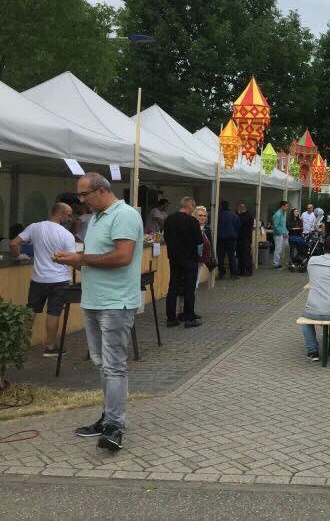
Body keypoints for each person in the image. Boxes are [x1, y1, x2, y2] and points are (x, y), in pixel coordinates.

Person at [53, 172, 144, 452]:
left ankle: (115, 426)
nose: (81, 201)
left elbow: (122, 256)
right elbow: (97, 257)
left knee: (114, 366)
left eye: (84, 194)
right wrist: (74, 260)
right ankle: (108, 418)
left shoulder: (124, 215)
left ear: (101, 190)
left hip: (115, 302)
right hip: (94, 299)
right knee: (102, 363)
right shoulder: (96, 219)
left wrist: (80, 259)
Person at [10, 202, 75, 356]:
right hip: (59, 280)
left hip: (38, 279)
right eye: (68, 215)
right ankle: (50, 348)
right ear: (60, 214)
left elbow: (13, 243)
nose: (70, 219)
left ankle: (19, 348)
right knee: (54, 313)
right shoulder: (66, 234)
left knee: (30, 311)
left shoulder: (34, 227)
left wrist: (17, 256)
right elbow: (72, 258)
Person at [163, 197, 202, 328]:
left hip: (174, 258)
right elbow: (199, 240)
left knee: (173, 287)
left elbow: (166, 237)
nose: (193, 210)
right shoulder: (192, 221)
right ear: (189, 205)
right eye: (193, 207)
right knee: (189, 288)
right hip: (190, 258)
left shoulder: (169, 219)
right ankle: (189, 317)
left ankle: (171, 318)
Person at [217, 201, 241, 279]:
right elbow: (238, 226)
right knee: (232, 256)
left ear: (221, 206)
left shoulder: (218, 215)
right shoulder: (234, 215)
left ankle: (221, 273)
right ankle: (233, 274)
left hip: (220, 238)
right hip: (231, 238)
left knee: (220, 256)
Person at [193, 206, 214, 285]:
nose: (203, 217)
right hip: (191, 258)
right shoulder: (191, 227)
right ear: (194, 216)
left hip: (201, 259)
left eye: (204, 216)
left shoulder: (207, 229)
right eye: (200, 215)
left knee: (196, 280)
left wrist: (211, 257)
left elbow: (210, 243)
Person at [236, 203, 254, 276]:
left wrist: (238, 215)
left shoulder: (241, 217)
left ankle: (243, 270)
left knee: (242, 255)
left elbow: (239, 225)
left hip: (242, 238)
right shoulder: (250, 215)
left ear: (240, 209)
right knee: (247, 254)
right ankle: (248, 270)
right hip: (248, 238)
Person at [272, 201, 289, 269]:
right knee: (278, 249)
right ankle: (275, 264)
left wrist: (286, 232)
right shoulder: (278, 214)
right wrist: (282, 232)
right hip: (278, 235)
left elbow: (283, 225)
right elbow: (276, 226)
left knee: (280, 249)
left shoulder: (283, 213)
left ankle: (278, 263)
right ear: (282, 206)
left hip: (282, 234)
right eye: (286, 206)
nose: (287, 208)